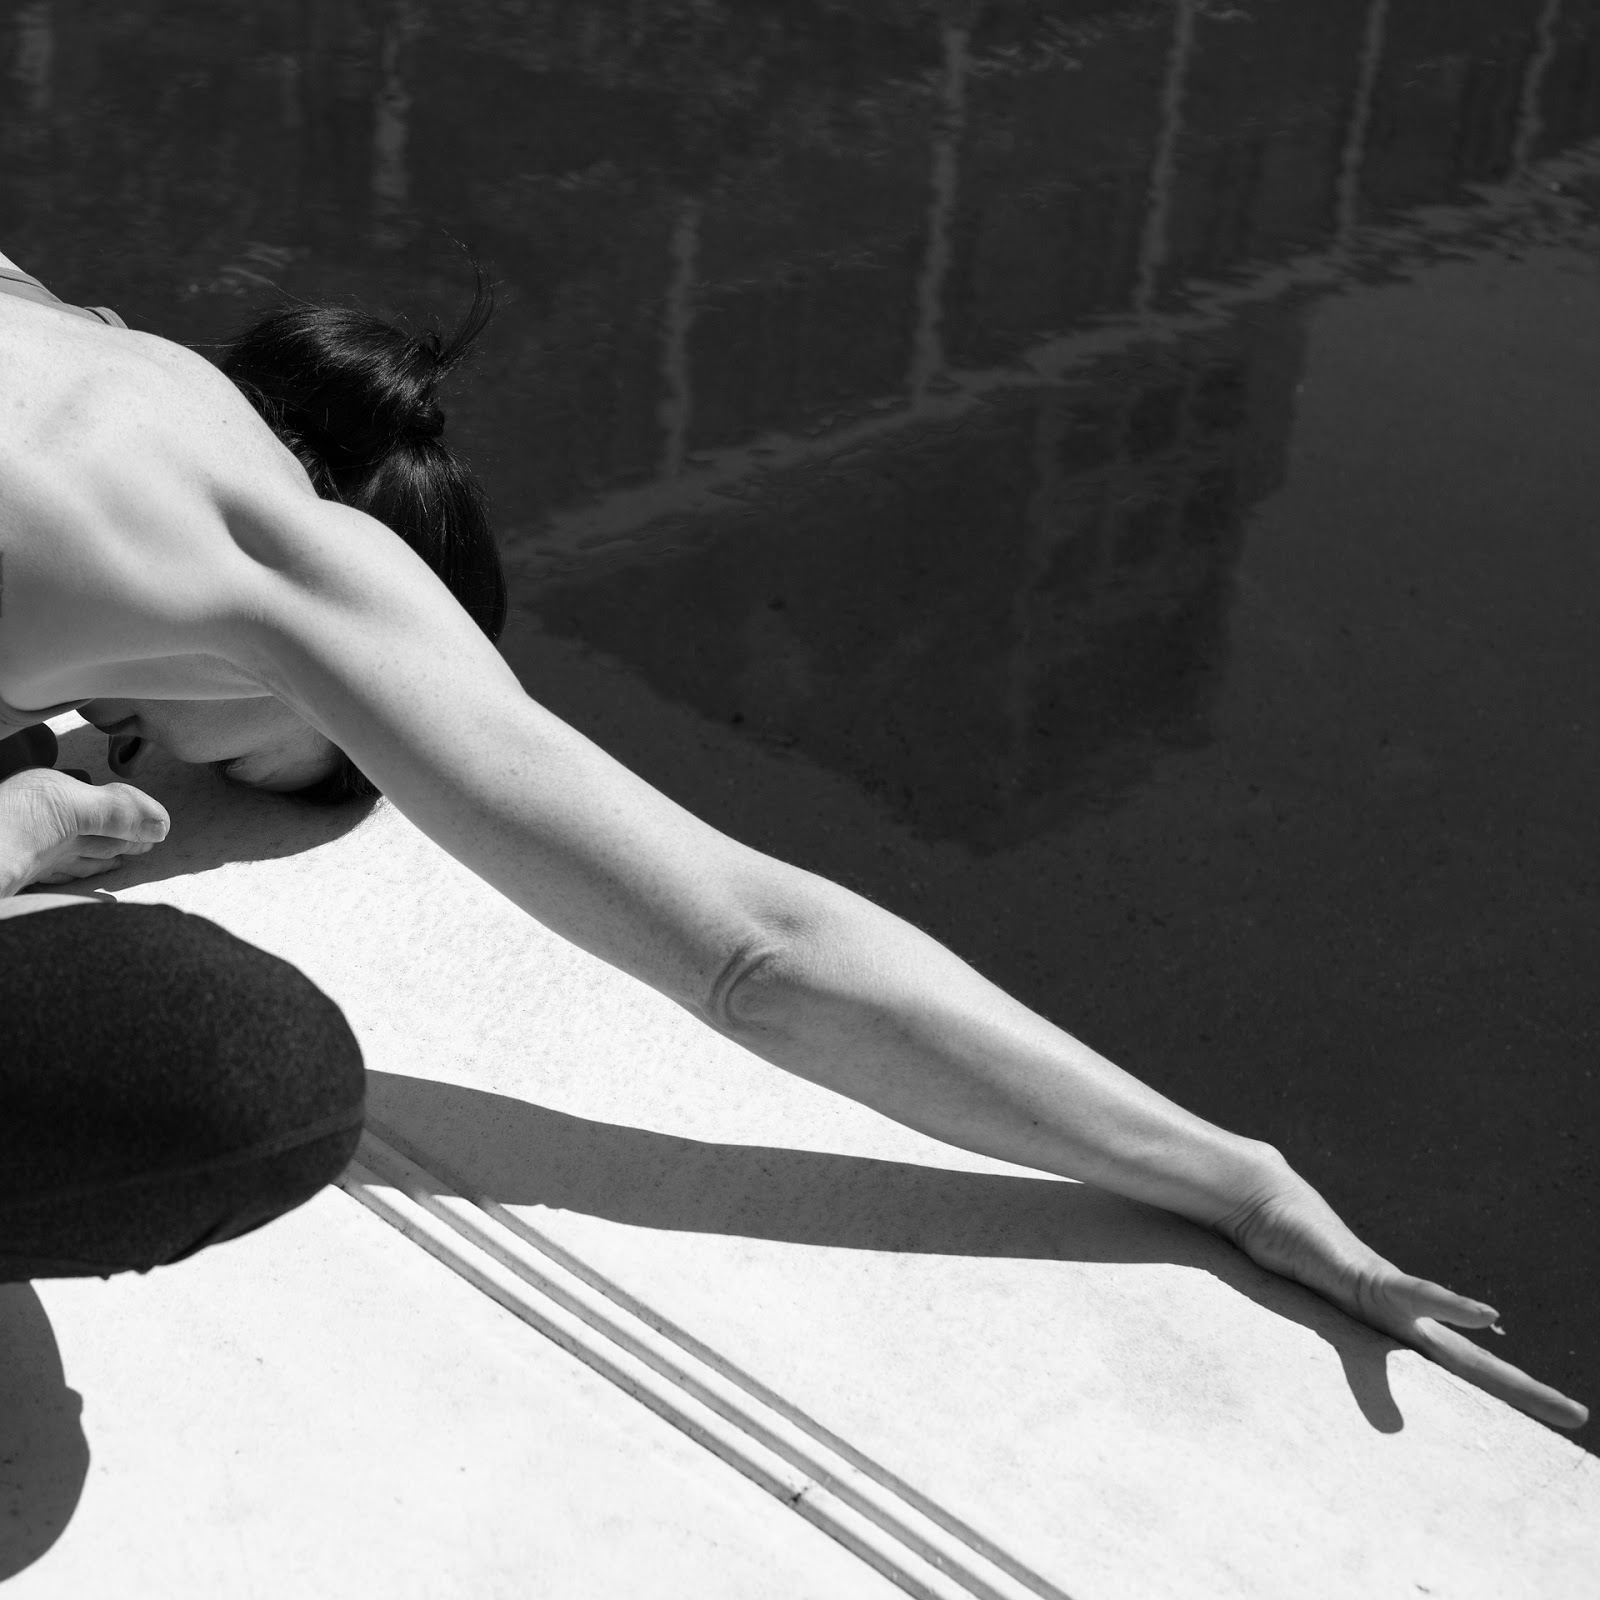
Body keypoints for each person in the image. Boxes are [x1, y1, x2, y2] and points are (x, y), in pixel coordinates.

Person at [0, 252, 1584, 1432]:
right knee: (246, 1080)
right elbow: (756, 948)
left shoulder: (98, 333)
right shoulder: (298, 578)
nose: (142, 746)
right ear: (367, 671)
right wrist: (1234, 1182)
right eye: (291, 767)